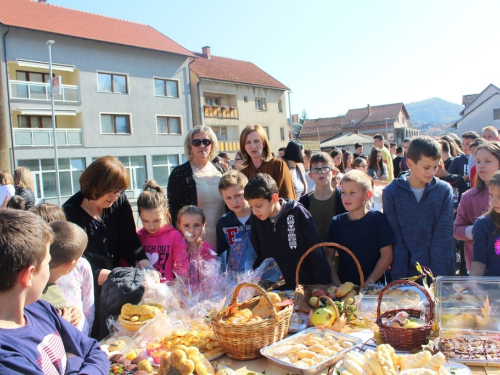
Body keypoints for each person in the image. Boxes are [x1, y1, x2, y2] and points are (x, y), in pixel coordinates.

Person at [0, 209, 109, 374]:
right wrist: (74, 359)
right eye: (47, 263)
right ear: (28, 275)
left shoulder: (43, 309)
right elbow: (91, 356)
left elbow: (94, 350)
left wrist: (73, 357)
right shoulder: (6, 357)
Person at [64, 156, 153, 339]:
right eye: (111, 191)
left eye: (120, 190)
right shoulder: (70, 214)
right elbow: (78, 267)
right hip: (90, 293)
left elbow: (129, 242)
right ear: (94, 185)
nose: (115, 196)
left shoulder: (118, 202)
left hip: (120, 288)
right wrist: (124, 277)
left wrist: (148, 268)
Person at [383, 136, 454, 279]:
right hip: (406, 272)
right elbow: (396, 236)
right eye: (426, 167)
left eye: (435, 167)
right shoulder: (391, 192)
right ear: (410, 163)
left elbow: (443, 234)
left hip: (439, 270)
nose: (432, 172)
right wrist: (401, 279)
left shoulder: (444, 190)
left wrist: (438, 277)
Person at [245, 173, 332, 290]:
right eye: (251, 207)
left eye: (258, 206)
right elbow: (256, 255)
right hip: (273, 290)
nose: (255, 211)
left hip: (302, 287)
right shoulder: (256, 218)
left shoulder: (297, 212)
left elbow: (315, 249)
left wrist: (322, 283)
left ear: (274, 198)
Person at [30, 203, 95, 337]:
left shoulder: (80, 265)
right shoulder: (31, 275)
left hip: (78, 338)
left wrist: (80, 317)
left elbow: (88, 307)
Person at [325, 170, 394, 286]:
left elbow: (387, 256)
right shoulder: (336, 222)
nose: (346, 197)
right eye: (343, 192)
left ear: (367, 195)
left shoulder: (377, 219)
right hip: (344, 290)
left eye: (352, 193)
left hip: (374, 289)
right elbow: (328, 259)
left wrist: (366, 286)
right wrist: (339, 287)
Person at [167, 125, 225, 247]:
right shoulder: (180, 173)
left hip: (223, 241)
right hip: (194, 245)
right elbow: (174, 214)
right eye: (196, 142)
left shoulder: (221, 170)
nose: (202, 146)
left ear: (212, 145)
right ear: (190, 146)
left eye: (206, 142)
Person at [454, 142, 500, 271]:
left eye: (487, 161)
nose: (481, 166)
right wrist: (478, 231)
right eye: (478, 161)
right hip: (478, 267)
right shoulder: (469, 196)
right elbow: (456, 230)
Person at [40, 221, 87, 333]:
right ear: (69, 266)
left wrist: (71, 312)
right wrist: (63, 323)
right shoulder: (47, 296)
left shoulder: (37, 284)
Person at [137, 180, 189, 282]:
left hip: (169, 293)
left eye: (156, 220)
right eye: (145, 221)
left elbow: (182, 271)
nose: (151, 226)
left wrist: (170, 292)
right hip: (142, 294)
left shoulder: (174, 236)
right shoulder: (137, 237)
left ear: (165, 213)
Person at [240, 125, 295, 200]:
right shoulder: (243, 173)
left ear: (264, 143)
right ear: (244, 146)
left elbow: (288, 198)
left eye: (257, 141)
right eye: (248, 142)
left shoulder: (278, 165)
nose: (253, 146)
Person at [299, 152, 345, 241]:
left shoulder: (342, 197)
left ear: (334, 172)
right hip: (313, 251)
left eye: (325, 167)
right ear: (310, 175)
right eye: (315, 168)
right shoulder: (304, 202)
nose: (320, 172)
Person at [216, 170, 255, 272]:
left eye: (238, 195)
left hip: (261, 277)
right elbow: (222, 256)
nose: (234, 201)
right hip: (235, 280)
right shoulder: (223, 223)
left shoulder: (259, 217)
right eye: (228, 198)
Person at [177, 205, 218, 284]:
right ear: (179, 226)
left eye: (196, 225)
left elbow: (211, 281)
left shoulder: (208, 251)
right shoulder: (176, 248)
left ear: (203, 225)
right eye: (186, 226)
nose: (191, 230)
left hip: (202, 295)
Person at [471, 171, 500, 276]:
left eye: (499, 197)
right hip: (492, 288)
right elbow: (479, 260)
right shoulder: (483, 224)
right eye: (491, 195)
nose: (493, 201)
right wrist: (472, 282)